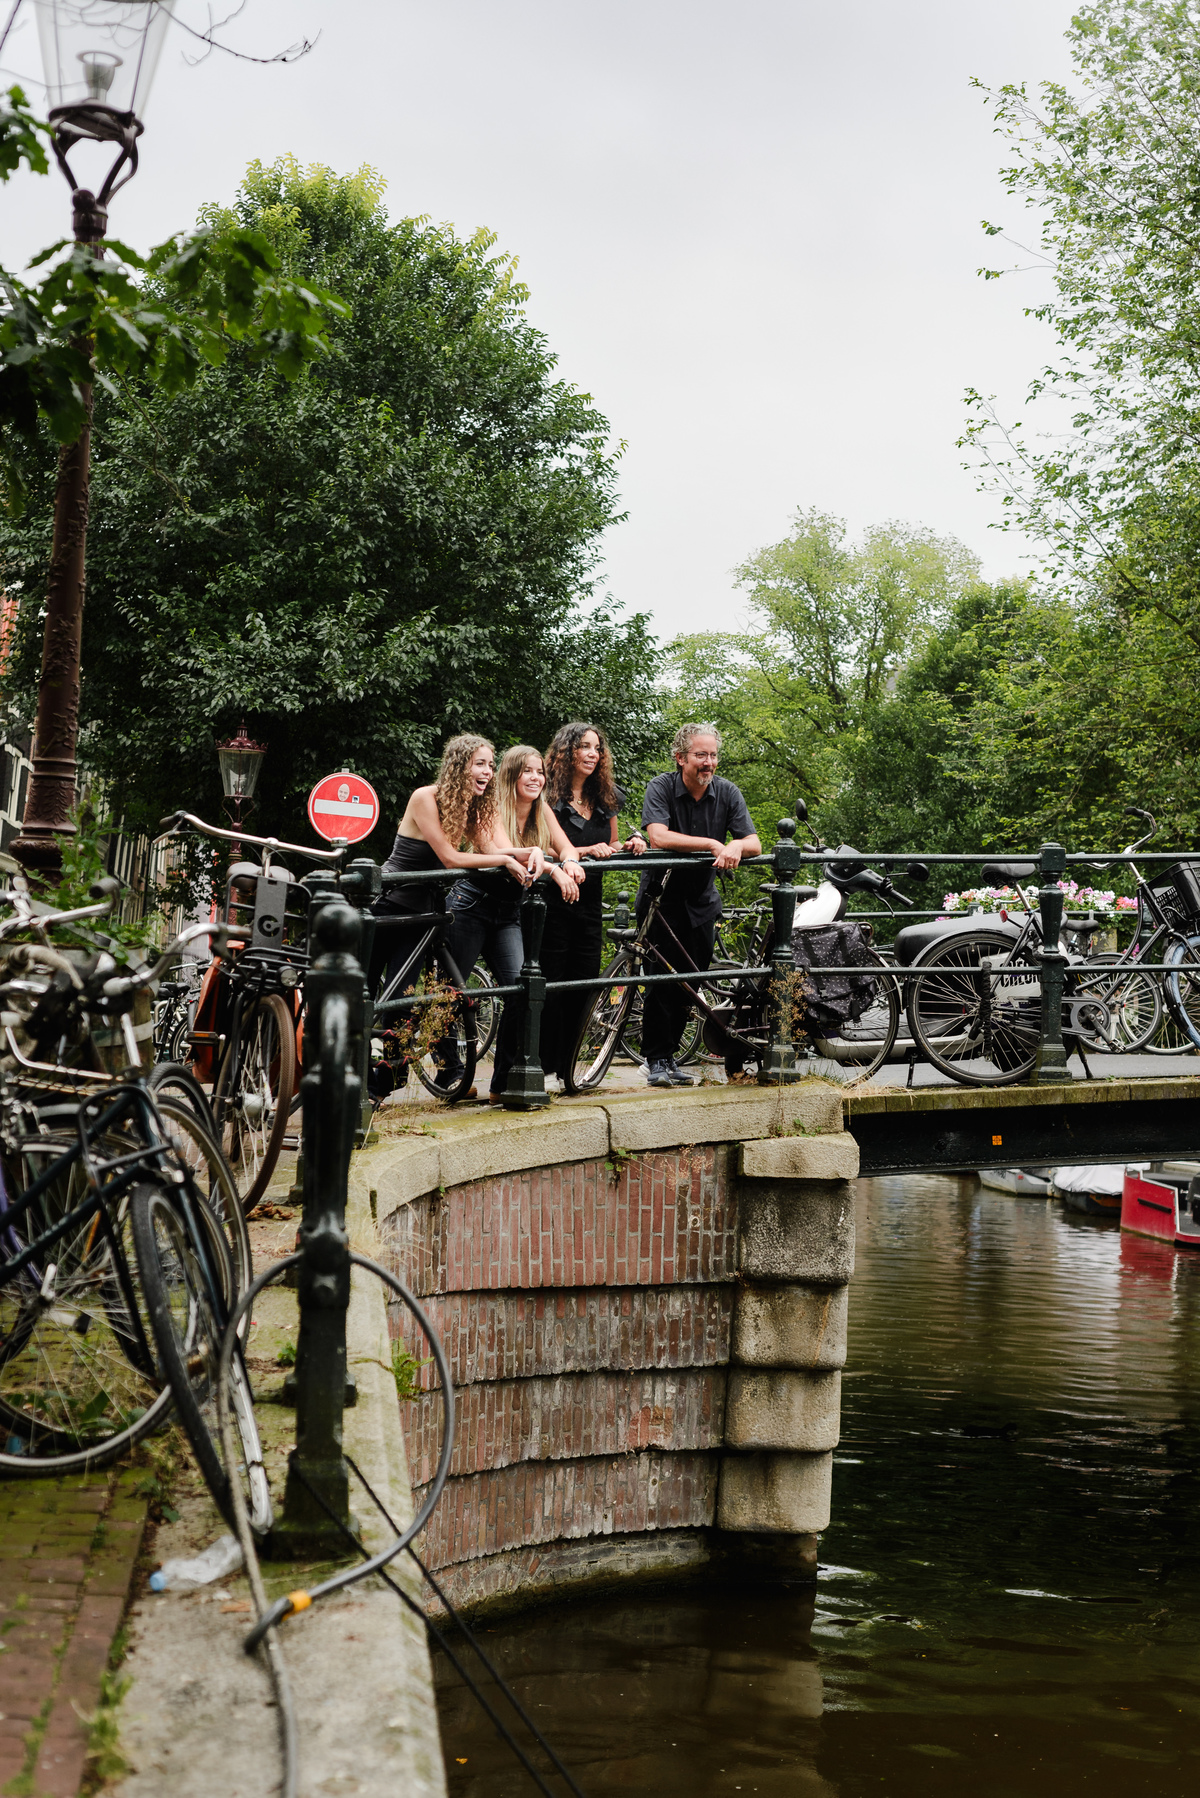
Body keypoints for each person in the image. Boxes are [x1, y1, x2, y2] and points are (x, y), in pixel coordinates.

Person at [370, 734, 534, 1100]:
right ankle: (354, 1083)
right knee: (367, 996)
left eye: (491, 765)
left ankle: (378, 1089)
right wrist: (508, 860)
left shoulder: (474, 807)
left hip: (426, 913)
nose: (488, 772)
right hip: (391, 906)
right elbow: (450, 858)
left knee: (404, 999)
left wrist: (530, 853)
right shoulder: (424, 797)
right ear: (460, 765)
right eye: (481, 763)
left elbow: (493, 848)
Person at [449, 744, 585, 1104]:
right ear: (510, 774)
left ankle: (503, 1084)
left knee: (522, 990)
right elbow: (510, 853)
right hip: (472, 904)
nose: (536, 778)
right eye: (528, 771)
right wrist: (553, 868)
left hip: (508, 911)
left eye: (540, 772)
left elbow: (567, 847)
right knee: (452, 992)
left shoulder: (542, 811)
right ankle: (449, 1071)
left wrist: (569, 861)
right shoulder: (491, 807)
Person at [636, 723, 761, 1087]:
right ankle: (655, 1059)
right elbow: (657, 836)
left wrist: (736, 846)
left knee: (692, 982)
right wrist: (710, 843)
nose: (708, 763)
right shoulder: (660, 787)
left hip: (702, 903)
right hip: (661, 900)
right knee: (661, 983)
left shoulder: (727, 792)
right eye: (700, 755)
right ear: (680, 758)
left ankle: (670, 1056)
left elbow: (753, 840)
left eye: (713, 755)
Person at [540, 721, 645, 1084]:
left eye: (597, 748)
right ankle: (542, 1067)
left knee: (584, 983)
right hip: (551, 897)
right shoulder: (547, 796)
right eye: (584, 746)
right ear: (567, 751)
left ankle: (568, 1070)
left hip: (590, 901)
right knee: (551, 983)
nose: (592, 754)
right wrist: (584, 851)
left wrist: (631, 843)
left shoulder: (605, 797)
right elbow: (542, 846)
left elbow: (611, 845)